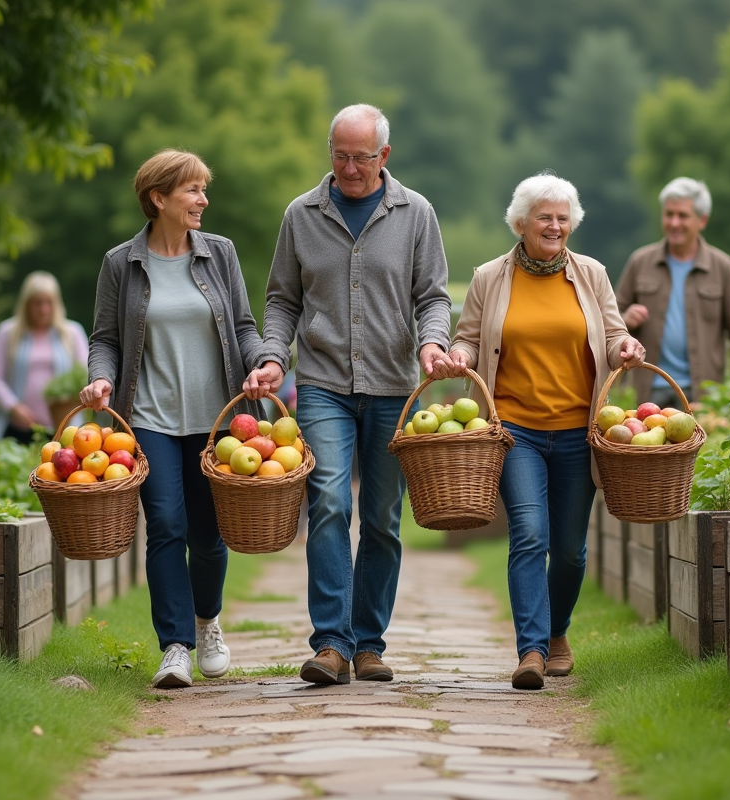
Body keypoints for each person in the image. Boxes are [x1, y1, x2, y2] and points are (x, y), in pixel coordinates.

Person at [244, 104, 453, 685]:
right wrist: (270, 355)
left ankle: (369, 644)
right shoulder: (301, 214)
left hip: (392, 386)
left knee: (383, 519)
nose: (351, 168)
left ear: (384, 155)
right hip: (323, 385)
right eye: (340, 156)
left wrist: (432, 344)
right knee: (329, 503)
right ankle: (331, 643)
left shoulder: (416, 214)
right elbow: (283, 299)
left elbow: (433, 297)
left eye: (362, 157)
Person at [434, 173, 645, 690]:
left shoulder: (592, 274)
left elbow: (614, 331)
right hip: (515, 431)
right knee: (529, 533)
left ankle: (556, 633)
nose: (554, 226)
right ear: (521, 223)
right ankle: (530, 650)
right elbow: (467, 339)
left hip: (579, 429)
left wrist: (625, 347)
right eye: (544, 217)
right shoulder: (489, 277)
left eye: (562, 217)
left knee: (571, 550)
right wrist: (459, 355)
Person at [78, 148, 268, 689]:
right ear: (158, 198)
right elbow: (105, 339)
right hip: (151, 417)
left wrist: (264, 362)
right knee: (165, 524)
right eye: (193, 191)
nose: (203, 200)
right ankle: (176, 646)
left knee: (209, 535)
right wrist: (100, 376)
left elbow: (245, 326)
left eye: (204, 190)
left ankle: (207, 621)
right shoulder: (122, 263)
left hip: (218, 423)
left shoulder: (220, 255)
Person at [615, 177, 730, 409]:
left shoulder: (722, 266)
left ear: (702, 220)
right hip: (649, 391)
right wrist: (626, 319)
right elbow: (611, 317)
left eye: (683, 215)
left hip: (701, 393)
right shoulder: (640, 262)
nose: (674, 222)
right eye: (669, 214)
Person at [0, 271, 89, 445]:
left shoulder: (72, 333)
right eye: (37, 303)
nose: (43, 309)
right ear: (26, 304)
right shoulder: (7, 332)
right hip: (16, 429)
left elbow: (86, 375)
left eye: (48, 303)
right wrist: (14, 407)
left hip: (64, 430)